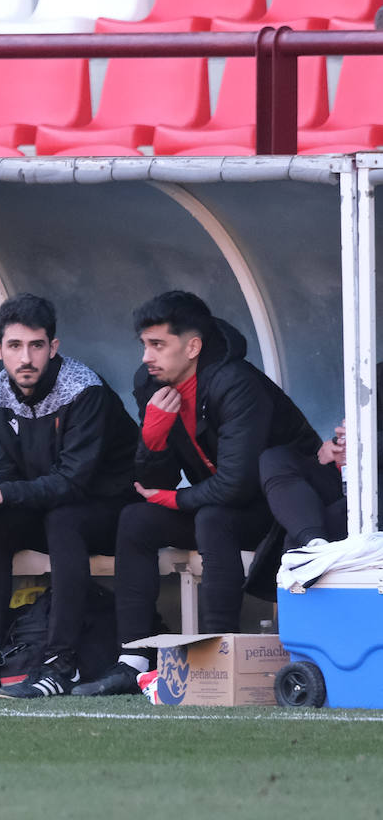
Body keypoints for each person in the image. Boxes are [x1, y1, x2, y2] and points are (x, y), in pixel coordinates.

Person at [75, 291, 319, 696]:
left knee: (212, 517)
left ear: (192, 347)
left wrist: (175, 500)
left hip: (278, 509)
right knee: (135, 520)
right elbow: (162, 479)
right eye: (144, 345)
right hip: (218, 502)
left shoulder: (235, 382)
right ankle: (132, 659)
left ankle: (217, 656)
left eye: (157, 345)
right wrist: (152, 437)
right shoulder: (150, 382)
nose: (146, 357)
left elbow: (239, 483)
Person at [0, 294, 138, 699]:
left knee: (63, 516)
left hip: (107, 509)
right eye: (14, 346)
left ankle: (59, 664)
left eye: (36, 345)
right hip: (44, 502)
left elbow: (72, 482)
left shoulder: (84, 389)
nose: (26, 358)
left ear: (54, 347)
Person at [259, 420, 348, 549]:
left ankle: (314, 549)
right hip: (346, 481)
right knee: (274, 458)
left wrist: (362, 446)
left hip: (373, 492)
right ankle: (316, 545)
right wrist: (337, 446)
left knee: (296, 542)